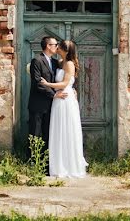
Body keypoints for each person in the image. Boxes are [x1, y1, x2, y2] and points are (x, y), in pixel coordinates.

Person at [39, 40, 88, 178]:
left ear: (64, 49)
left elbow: (65, 83)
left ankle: (68, 166)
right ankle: (58, 165)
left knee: (67, 129)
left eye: (59, 46)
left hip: (65, 99)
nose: (57, 47)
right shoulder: (59, 62)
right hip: (58, 99)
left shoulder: (69, 64)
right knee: (58, 130)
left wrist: (47, 83)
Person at [28, 36, 66, 150]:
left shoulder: (55, 62)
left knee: (48, 134)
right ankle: (34, 162)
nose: (57, 47)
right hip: (38, 104)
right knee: (36, 133)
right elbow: (38, 82)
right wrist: (53, 94)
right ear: (48, 46)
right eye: (55, 45)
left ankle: (46, 162)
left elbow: (63, 78)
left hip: (52, 105)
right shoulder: (37, 60)